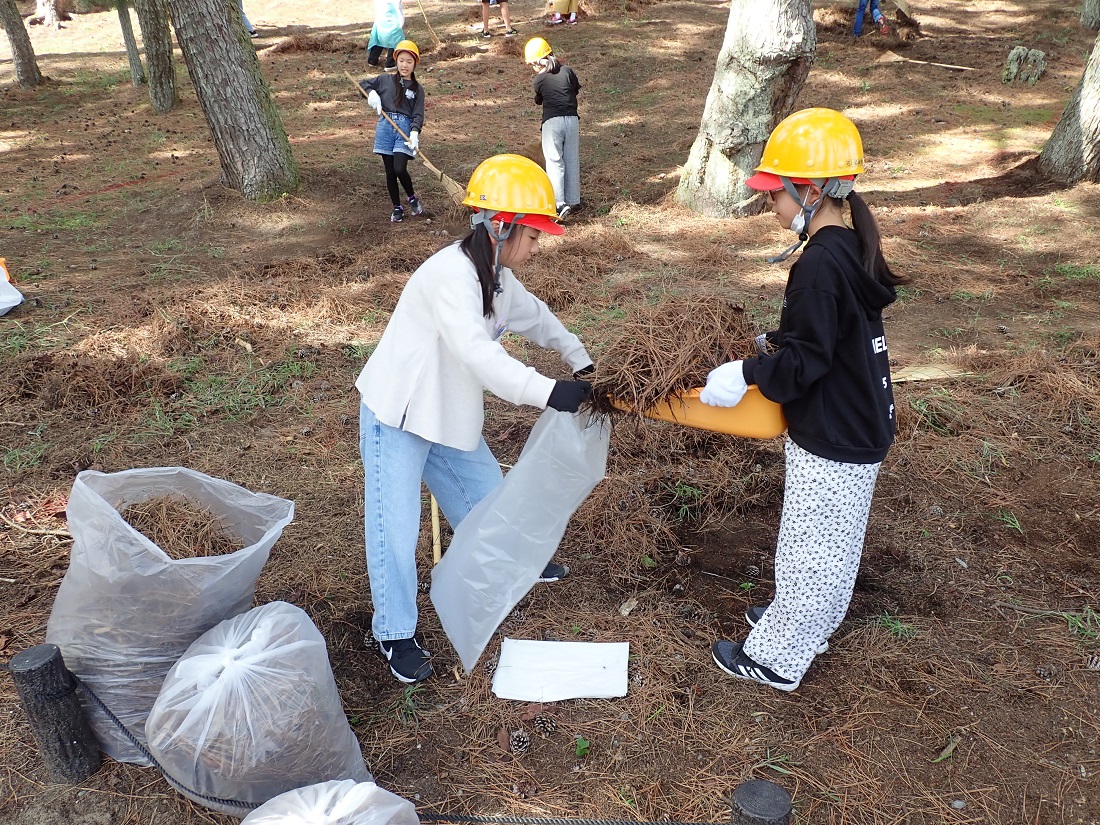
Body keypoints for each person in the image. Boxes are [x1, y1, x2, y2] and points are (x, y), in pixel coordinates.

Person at [355, 154, 595, 683]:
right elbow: (479, 356)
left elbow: (537, 320)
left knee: (490, 500)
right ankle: (394, 631)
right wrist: (550, 391)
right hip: (397, 415)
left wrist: (581, 359)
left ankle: (511, 567)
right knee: (395, 529)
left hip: (447, 415)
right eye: (532, 235)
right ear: (501, 226)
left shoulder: (500, 277)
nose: (537, 245)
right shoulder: (451, 276)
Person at [700, 108, 909, 692]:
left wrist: (745, 371)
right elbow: (827, 336)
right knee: (829, 544)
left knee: (812, 548)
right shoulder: (844, 247)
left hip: (835, 430)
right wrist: (772, 341)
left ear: (810, 191)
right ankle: (803, 624)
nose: (772, 206)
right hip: (859, 419)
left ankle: (778, 657)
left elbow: (806, 365)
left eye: (777, 195)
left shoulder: (818, 263)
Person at [359, 40, 425, 223]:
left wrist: (414, 133)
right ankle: (397, 206)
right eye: (402, 60)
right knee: (389, 171)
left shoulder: (417, 89)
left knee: (399, 168)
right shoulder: (385, 79)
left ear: (415, 64)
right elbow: (364, 84)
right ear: (396, 60)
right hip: (385, 127)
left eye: (409, 62)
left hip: (403, 128)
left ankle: (412, 197)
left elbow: (418, 114)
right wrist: (371, 94)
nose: (405, 65)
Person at [525, 37, 581, 220]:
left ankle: (558, 204)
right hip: (572, 119)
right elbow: (574, 89)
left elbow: (540, 98)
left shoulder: (539, 80)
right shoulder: (567, 71)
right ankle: (573, 200)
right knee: (571, 158)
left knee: (555, 161)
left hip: (552, 122)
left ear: (537, 63)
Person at [368, 0, 406, 71]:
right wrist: (401, 19)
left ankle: (372, 60)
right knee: (396, 39)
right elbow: (397, 6)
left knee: (379, 38)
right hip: (391, 19)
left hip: (381, 18)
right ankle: (390, 64)